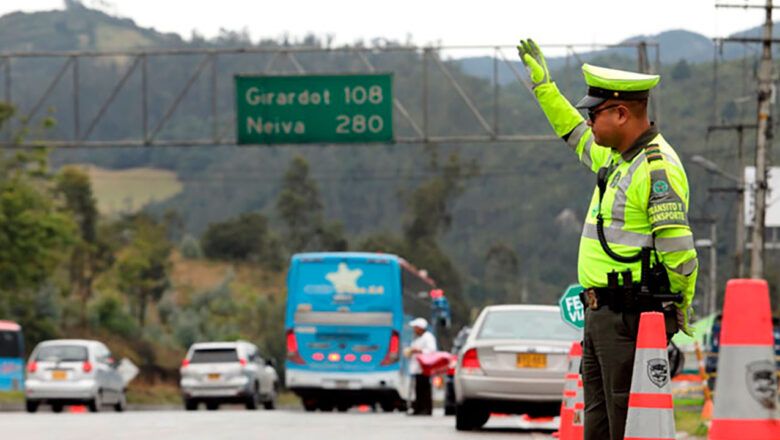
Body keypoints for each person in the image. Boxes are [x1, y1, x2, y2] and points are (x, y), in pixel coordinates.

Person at [517, 39, 698, 440]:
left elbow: (680, 253)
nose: (590, 122)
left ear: (621, 113)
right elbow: (573, 134)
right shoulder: (619, 160)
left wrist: (677, 309)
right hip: (602, 316)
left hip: (629, 318)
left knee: (623, 421)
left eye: (595, 113)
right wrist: (544, 87)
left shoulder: (655, 169)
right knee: (597, 422)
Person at [406, 317, 437, 415]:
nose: (414, 329)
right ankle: (418, 409)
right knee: (418, 389)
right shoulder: (417, 338)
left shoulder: (428, 337)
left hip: (424, 368)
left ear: (420, 328)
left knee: (425, 390)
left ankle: (426, 409)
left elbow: (432, 350)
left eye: (415, 327)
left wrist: (417, 350)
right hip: (417, 368)